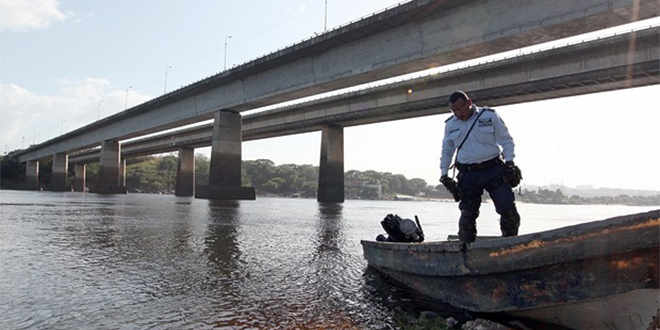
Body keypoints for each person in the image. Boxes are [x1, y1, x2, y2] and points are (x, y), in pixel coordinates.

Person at [439, 90, 521, 243]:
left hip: (493, 169)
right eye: (454, 110)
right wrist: (444, 175)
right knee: (467, 214)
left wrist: (510, 163)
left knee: (508, 210)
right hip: (468, 174)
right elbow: (446, 151)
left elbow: (506, 141)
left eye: (460, 108)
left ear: (469, 103)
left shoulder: (489, 116)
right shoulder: (450, 125)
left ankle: (510, 244)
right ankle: (466, 251)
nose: (458, 113)